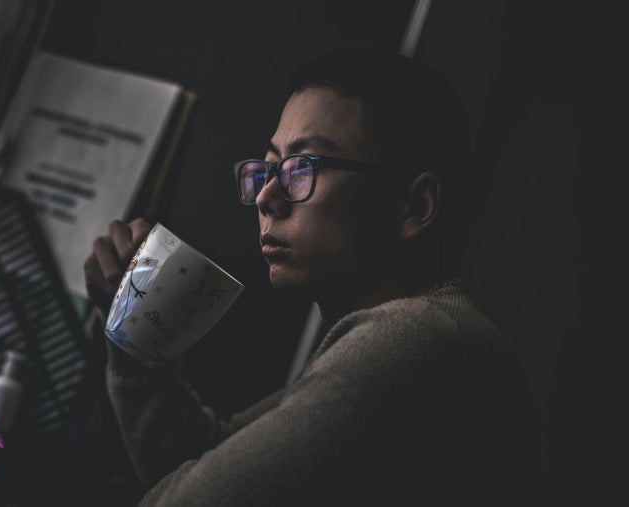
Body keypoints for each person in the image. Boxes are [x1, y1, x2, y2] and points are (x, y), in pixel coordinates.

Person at [83, 46, 539, 506]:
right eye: (268, 168)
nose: (266, 198)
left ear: (414, 206)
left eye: (302, 168)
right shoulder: (416, 335)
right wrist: (135, 332)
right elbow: (201, 460)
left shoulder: (416, 341)